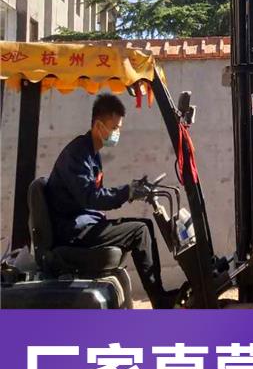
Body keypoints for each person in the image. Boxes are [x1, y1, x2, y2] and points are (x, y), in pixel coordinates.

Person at [46, 92, 179, 309]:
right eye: (115, 128)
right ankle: (160, 300)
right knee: (140, 230)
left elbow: (93, 196)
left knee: (143, 225)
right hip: (73, 231)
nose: (117, 133)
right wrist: (127, 192)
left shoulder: (90, 152)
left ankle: (159, 296)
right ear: (99, 126)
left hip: (83, 224)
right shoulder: (77, 155)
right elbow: (90, 197)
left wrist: (129, 191)